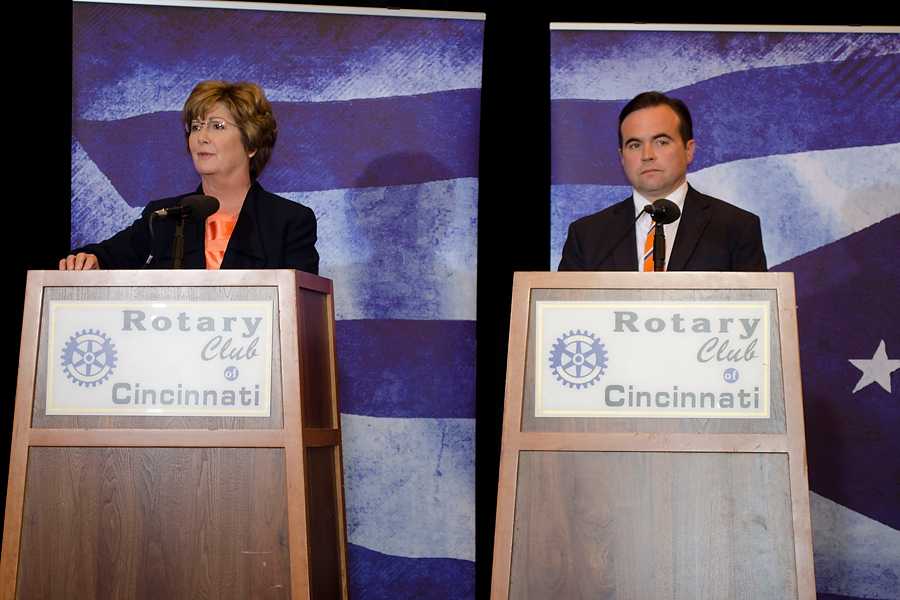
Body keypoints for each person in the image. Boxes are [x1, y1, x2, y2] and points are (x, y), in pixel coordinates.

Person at [60, 80, 319, 274]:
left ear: (252, 144)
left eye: (217, 126)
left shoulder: (290, 221)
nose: (201, 137)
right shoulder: (164, 216)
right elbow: (103, 256)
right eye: (196, 127)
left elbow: (299, 307)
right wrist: (89, 260)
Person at [558, 91, 766, 272]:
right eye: (634, 145)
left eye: (661, 142)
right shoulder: (587, 236)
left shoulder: (736, 229)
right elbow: (564, 312)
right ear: (622, 157)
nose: (647, 155)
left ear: (689, 150)